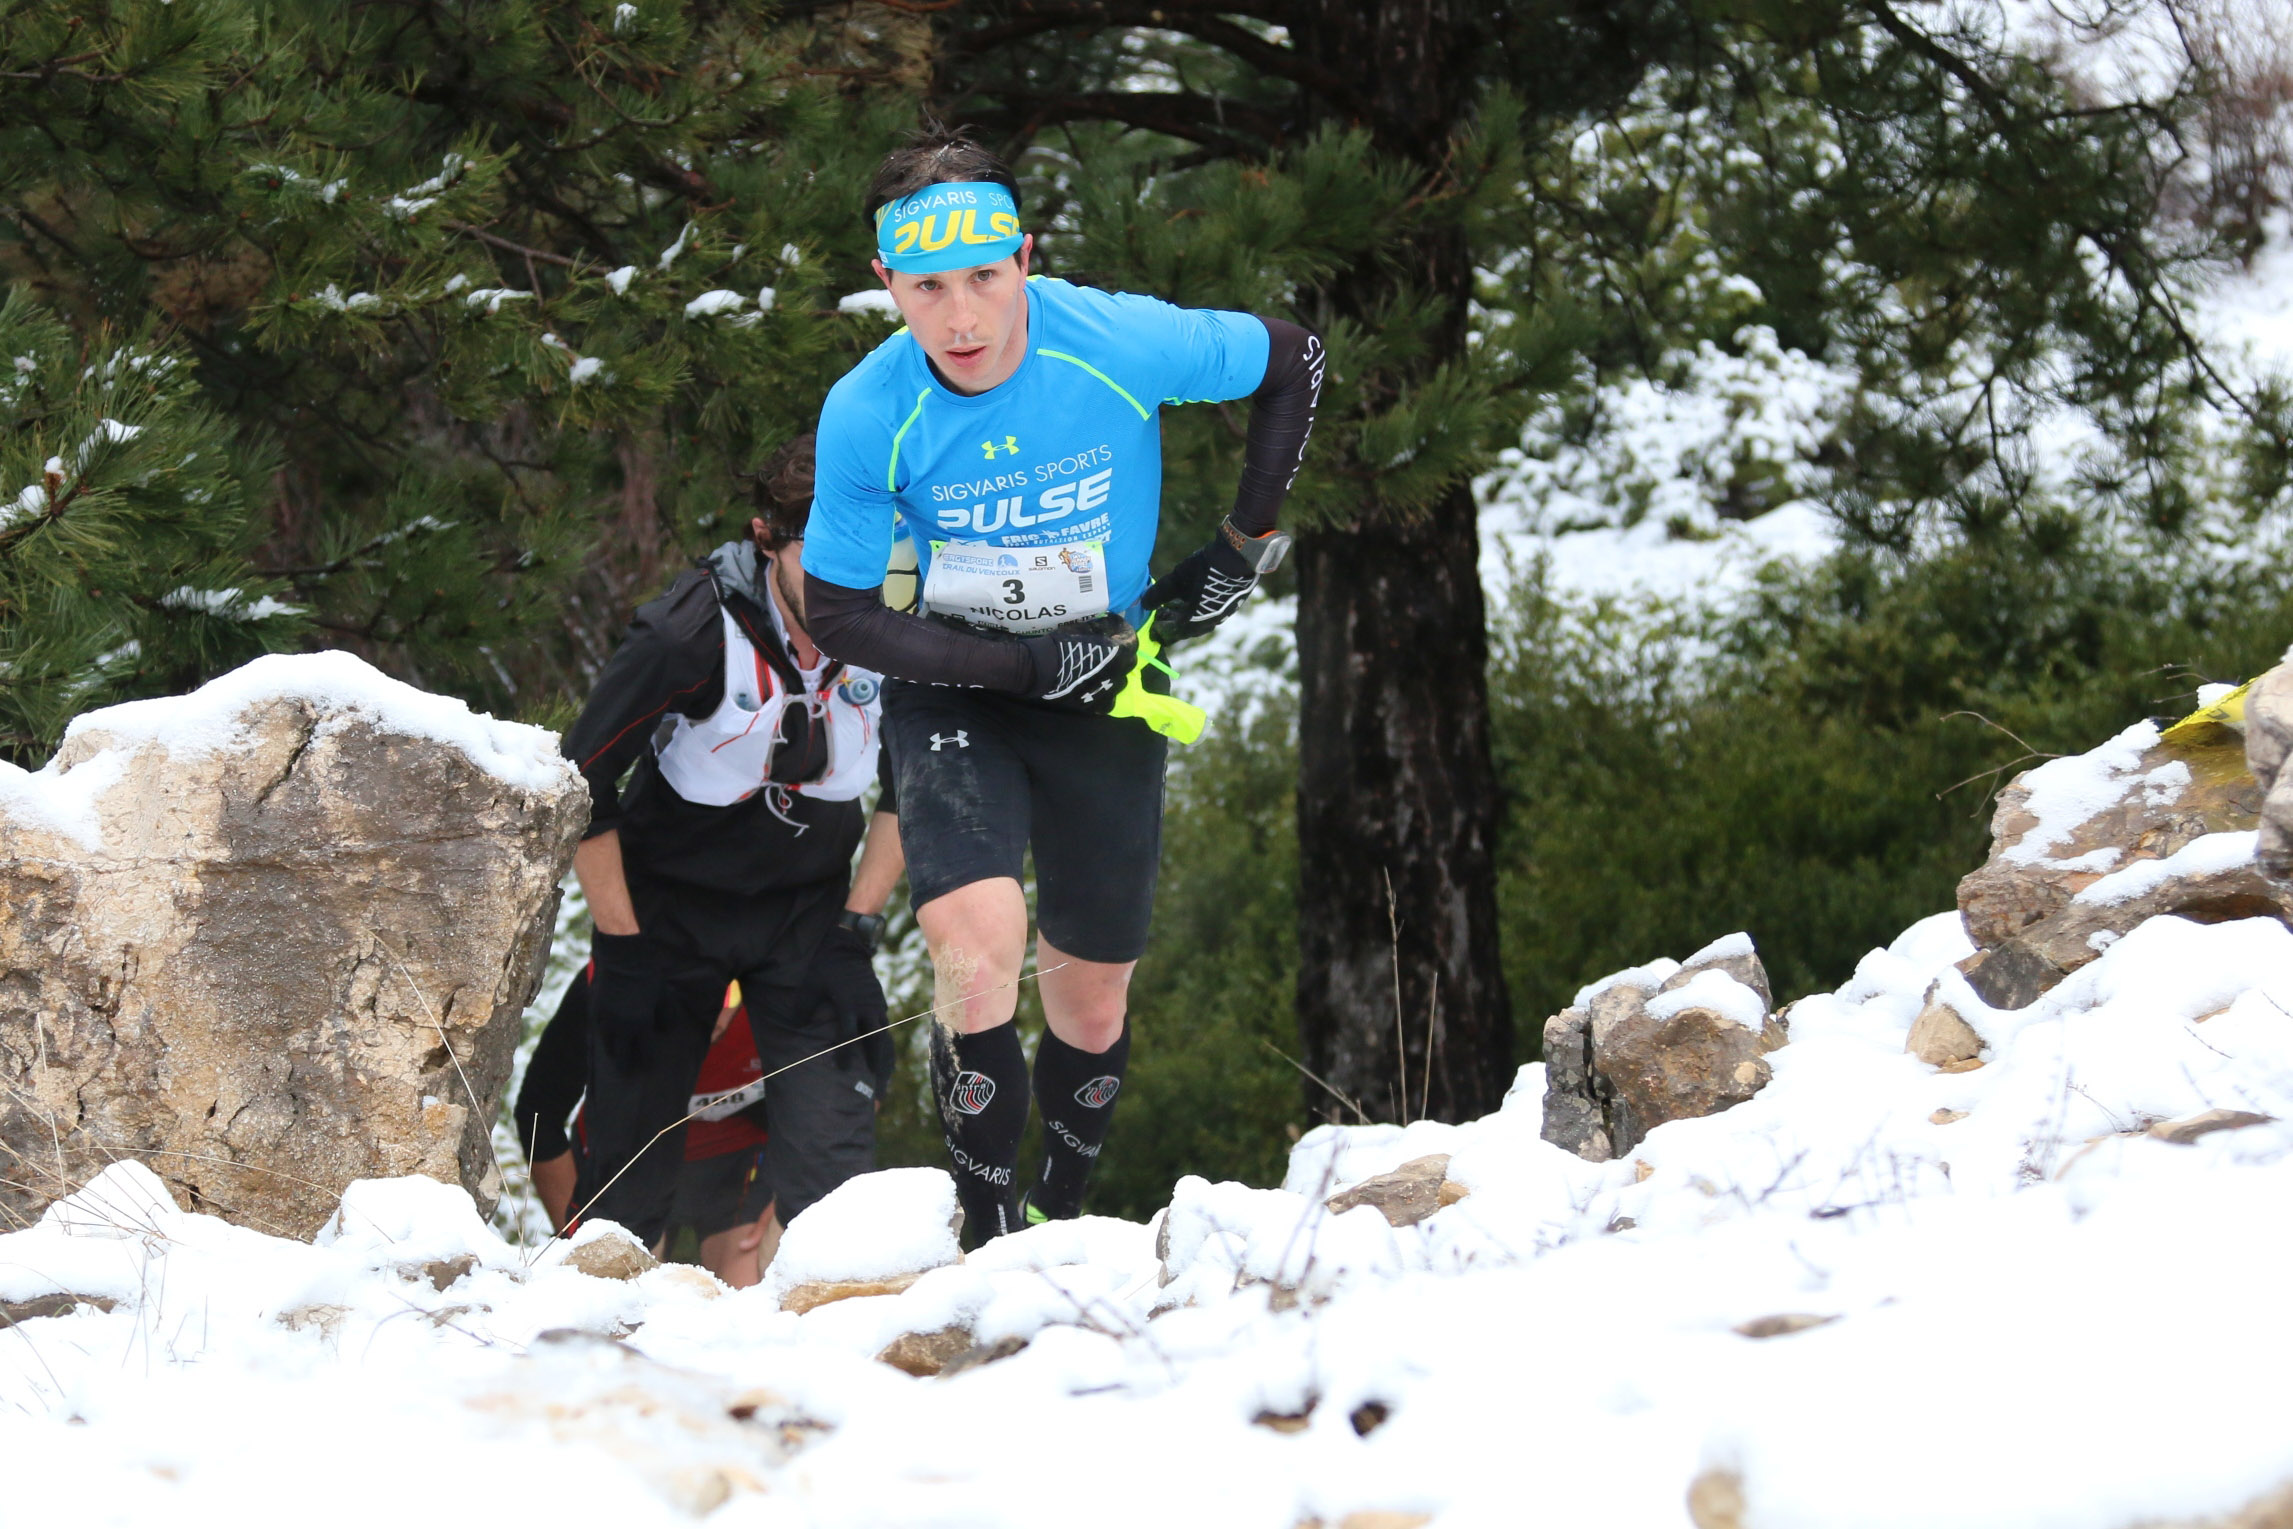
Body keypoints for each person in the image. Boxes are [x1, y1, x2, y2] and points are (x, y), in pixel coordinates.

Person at [799, 131, 1322, 1240]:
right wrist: (1022, 663)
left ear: (1026, 257)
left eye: (986, 277)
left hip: (1110, 684)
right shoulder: (868, 408)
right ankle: (990, 1242)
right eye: (928, 288)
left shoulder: (1112, 338)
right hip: (957, 681)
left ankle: (1061, 1222)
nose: (962, 319)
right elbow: (840, 613)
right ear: (886, 282)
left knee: (1089, 994)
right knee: (977, 949)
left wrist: (1242, 541)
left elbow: (1293, 358)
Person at [553, 434, 904, 1252]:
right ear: (765, 536)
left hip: (807, 916)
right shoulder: (685, 635)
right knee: (627, 1178)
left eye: (870, 552)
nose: (845, 578)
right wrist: (622, 945)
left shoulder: (898, 634)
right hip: (667, 915)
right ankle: (604, 1344)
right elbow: (582, 785)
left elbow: (913, 783)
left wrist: (859, 926)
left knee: (834, 1167)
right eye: (820, 552)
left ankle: (842, 1346)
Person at [515, 976, 784, 1286]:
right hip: (628, 1155)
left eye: (725, 1001)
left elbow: (833, 1117)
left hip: (734, 1159)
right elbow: (538, 1113)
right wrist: (577, 1234)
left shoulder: (786, 993)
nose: (708, 1019)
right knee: (622, 1287)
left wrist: (786, 1202)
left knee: (754, 1288)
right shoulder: (608, 982)